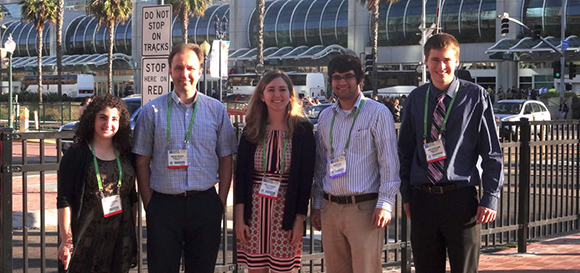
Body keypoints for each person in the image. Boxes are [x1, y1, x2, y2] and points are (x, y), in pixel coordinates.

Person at [398, 33, 503, 273]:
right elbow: (404, 151)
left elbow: (492, 153)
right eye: (435, 60)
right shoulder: (415, 99)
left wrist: (490, 197)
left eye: (446, 59)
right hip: (422, 198)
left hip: (461, 200)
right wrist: (406, 194)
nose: (441, 66)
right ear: (426, 62)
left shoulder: (475, 96)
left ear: (457, 61)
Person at [132, 43, 237, 273]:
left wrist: (219, 202)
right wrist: (150, 203)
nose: (184, 74)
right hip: (163, 205)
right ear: (170, 71)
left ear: (200, 70)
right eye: (178, 68)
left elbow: (226, 159)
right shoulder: (151, 112)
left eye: (190, 67)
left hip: (205, 204)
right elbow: (141, 160)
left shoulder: (216, 110)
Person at [310, 54, 400, 272]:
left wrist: (385, 204)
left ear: (360, 80)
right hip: (331, 209)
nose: (342, 82)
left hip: (364, 209)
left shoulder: (377, 113)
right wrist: (317, 205)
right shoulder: (325, 117)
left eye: (348, 77)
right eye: (336, 77)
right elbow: (321, 165)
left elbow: (388, 163)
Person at [234, 70, 315, 272]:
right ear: (262, 95)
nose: (276, 95)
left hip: (285, 213)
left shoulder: (302, 131)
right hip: (254, 214)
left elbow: (306, 181)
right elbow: (241, 178)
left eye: (282, 89)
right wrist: (239, 218)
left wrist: (299, 220)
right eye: (270, 90)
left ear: (290, 95)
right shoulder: (251, 129)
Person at [57, 94, 137, 272]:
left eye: (114, 119)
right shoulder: (77, 154)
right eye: (103, 117)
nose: (109, 124)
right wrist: (66, 241)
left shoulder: (126, 152)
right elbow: (64, 200)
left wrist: (133, 236)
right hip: (87, 234)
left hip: (120, 235)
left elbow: (131, 197)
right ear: (92, 119)